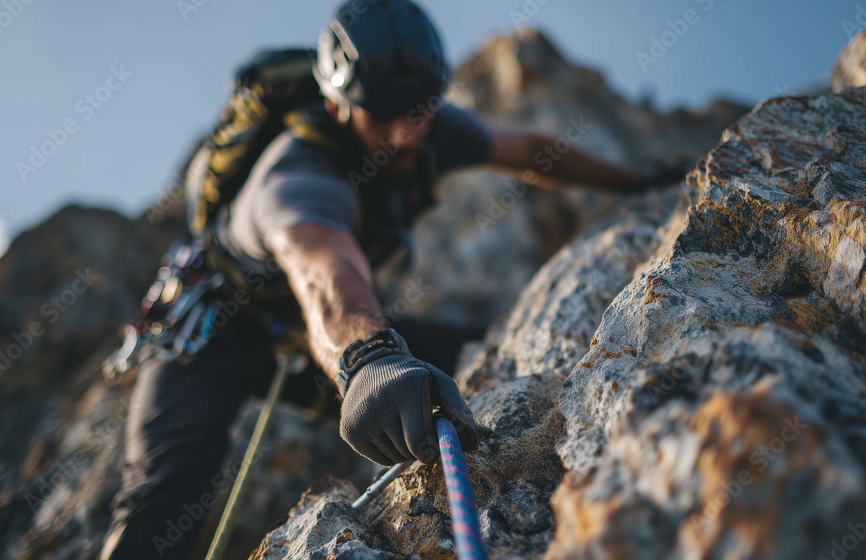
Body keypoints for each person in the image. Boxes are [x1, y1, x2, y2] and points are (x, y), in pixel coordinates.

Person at [99, 1, 689, 558]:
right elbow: (322, 271)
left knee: (485, 349)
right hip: (214, 325)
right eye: (383, 116)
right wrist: (367, 362)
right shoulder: (297, 178)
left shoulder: (422, 124)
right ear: (336, 105)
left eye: (421, 110)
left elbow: (534, 150)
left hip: (305, 334)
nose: (407, 133)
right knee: (169, 483)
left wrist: (634, 180)